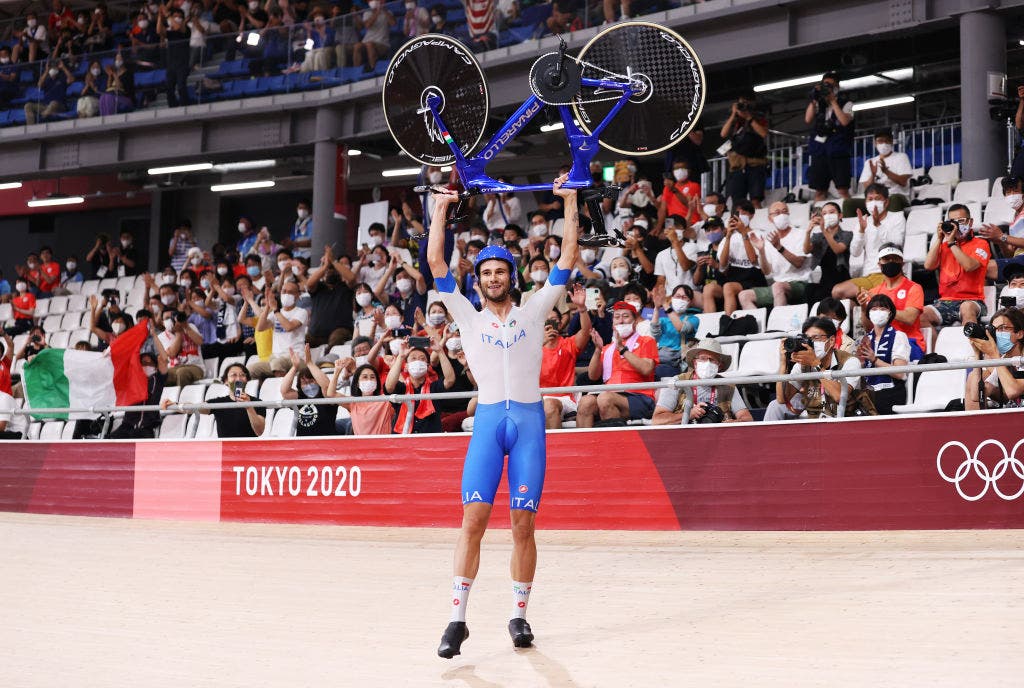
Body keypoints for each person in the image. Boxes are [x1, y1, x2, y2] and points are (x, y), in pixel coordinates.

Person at [426, 174, 579, 657]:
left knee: (522, 526)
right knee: (472, 522)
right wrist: (440, 208)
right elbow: (435, 262)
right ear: (477, 281)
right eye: (486, 272)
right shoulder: (467, 316)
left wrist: (569, 201)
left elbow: (568, 259)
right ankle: (457, 621)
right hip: (491, 423)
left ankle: (519, 616)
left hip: (529, 423)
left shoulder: (534, 311)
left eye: (500, 272)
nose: (493, 278)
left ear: (511, 277)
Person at [575, 301, 659, 427]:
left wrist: (622, 349)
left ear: (635, 322)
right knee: (585, 402)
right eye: (617, 317)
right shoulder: (608, 348)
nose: (621, 321)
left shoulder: (646, 341)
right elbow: (593, 376)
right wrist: (598, 349)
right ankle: (584, 440)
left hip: (639, 395)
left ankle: (614, 440)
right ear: (613, 323)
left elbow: (647, 369)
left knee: (605, 398)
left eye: (625, 316)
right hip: (609, 392)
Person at [763, 317, 862, 421]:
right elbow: (782, 399)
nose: (811, 343)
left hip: (847, 416)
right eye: (808, 338)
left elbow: (839, 397)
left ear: (831, 340)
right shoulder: (803, 364)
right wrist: (783, 363)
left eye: (816, 338)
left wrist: (815, 364)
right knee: (775, 406)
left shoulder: (850, 361)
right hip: (817, 411)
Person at [921, 204, 991, 329]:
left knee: (966, 308)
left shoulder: (981, 243)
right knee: (921, 314)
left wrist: (951, 243)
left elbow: (969, 266)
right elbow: (928, 265)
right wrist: (939, 239)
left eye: (961, 221)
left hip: (972, 300)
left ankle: (971, 342)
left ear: (970, 222)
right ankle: (936, 342)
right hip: (945, 301)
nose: (957, 225)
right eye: (953, 222)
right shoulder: (944, 246)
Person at [652, 338, 752, 425]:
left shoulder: (728, 386)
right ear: (695, 362)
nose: (707, 363)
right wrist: (688, 414)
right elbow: (657, 420)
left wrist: (733, 423)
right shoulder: (678, 383)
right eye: (703, 358)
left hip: (719, 436)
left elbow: (747, 418)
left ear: (719, 365)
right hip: (683, 436)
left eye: (712, 360)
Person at [831, 184, 906, 300]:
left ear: (886, 202)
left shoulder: (897, 217)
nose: (873, 202)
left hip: (890, 274)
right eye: (870, 199)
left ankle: (871, 298)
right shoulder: (863, 221)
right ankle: (870, 298)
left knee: (875, 298)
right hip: (868, 276)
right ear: (865, 202)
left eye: (877, 198)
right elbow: (855, 252)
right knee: (837, 291)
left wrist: (878, 225)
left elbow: (897, 244)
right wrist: (861, 231)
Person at [857, 244, 926, 359]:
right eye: (886, 259)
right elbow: (869, 328)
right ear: (879, 264)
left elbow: (909, 318)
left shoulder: (914, 288)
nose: (891, 262)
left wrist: (883, 305)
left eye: (895, 258)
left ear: (902, 263)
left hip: (909, 341)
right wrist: (864, 308)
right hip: (880, 342)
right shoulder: (874, 292)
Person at [162, 363, 266, 437]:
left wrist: (249, 407)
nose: (238, 378)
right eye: (233, 375)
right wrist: (175, 405)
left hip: (249, 452)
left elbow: (260, 431)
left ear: (247, 380)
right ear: (226, 381)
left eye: (242, 375)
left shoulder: (257, 403)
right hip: (225, 452)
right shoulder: (219, 403)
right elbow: (194, 408)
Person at [540, 284, 591, 429]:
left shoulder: (569, 344)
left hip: (565, 399)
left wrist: (582, 308)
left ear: (560, 323)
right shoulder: (532, 349)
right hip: (538, 399)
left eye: (554, 320)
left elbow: (586, 331)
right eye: (546, 321)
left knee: (549, 405)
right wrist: (541, 343)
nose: (550, 324)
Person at [855, 294, 911, 415]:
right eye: (874, 309)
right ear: (869, 314)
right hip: (869, 391)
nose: (878, 312)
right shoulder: (866, 339)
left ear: (890, 313)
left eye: (883, 309)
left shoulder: (898, 336)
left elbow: (900, 373)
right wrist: (860, 362)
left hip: (891, 391)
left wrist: (875, 360)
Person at [804, 71, 854, 201]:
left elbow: (844, 121)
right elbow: (808, 119)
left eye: (831, 85)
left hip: (838, 151)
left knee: (842, 190)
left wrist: (833, 101)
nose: (828, 88)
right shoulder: (818, 103)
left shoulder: (846, 103)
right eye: (825, 85)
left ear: (837, 87)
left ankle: (850, 212)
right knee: (819, 191)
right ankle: (818, 213)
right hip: (820, 151)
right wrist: (814, 99)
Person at [964, 308, 1024, 410]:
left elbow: (1012, 391)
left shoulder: (1003, 359)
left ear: (1019, 334)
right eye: (994, 329)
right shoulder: (1004, 359)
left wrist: (995, 354)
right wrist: (978, 354)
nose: (997, 334)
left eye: (1002, 328)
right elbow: (976, 396)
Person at [720, 92, 769, 209]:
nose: (743, 106)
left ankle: (758, 218)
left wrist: (749, 118)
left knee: (755, 200)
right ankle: (738, 220)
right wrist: (733, 114)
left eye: (746, 103)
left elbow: (763, 133)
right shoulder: (735, 121)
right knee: (738, 202)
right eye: (741, 103)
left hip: (755, 164)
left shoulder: (758, 117)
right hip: (737, 166)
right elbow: (723, 134)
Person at [281, 345, 338, 437]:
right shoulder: (300, 397)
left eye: (311, 381)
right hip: (303, 442)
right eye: (304, 382)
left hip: (325, 441)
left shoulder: (325, 396)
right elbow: (285, 391)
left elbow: (327, 386)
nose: (308, 386)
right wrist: (294, 367)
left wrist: (310, 363)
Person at [804, 203, 852, 301]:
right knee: (809, 289)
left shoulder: (847, 234)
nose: (828, 216)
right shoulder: (818, 236)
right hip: (825, 281)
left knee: (824, 296)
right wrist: (808, 232)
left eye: (831, 212)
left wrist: (824, 231)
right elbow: (806, 250)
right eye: (824, 214)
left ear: (840, 215)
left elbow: (838, 249)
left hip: (842, 280)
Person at [857, 130, 912, 209]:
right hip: (875, 198)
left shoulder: (901, 157)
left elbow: (903, 182)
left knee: (893, 199)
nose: (884, 144)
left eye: (887, 141)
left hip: (896, 195)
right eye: (880, 141)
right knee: (849, 203)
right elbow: (867, 188)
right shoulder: (870, 162)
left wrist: (886, 171)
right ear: (875, 143)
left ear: (892, 142)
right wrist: (873, 174)